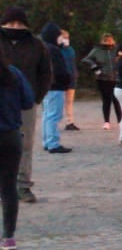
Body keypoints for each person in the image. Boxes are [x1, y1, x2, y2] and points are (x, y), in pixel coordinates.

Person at [0, 7, 51, 204]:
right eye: (11, 23)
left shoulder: (36, 45)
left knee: (24, 145)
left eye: (19, 24)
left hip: (24, 103)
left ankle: (22, 185)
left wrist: (36, 97)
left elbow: (46, 73)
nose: (15, 27)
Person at [0, 46, 34, 250]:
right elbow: (28, 101)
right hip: (10, 136)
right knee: (9, 186)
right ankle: (8, 236)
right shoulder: (13, 74)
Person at [40, 23, 73, 154]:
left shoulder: (43, 48)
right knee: (54, 115)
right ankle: (53, 143)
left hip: (47, 86)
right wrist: (66, 80)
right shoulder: (54, 50)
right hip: (56, 86)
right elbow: (60, 70)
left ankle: (47, 141)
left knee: (47, 115)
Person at [82, 32, 122, 129]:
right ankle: (106, 121)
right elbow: (86, 59)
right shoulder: (97, 50)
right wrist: (94, 66)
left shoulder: (117, 50)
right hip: (103, 78)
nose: (108, 42)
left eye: (109, 40)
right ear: (102, 41)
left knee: (117, 100)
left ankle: (120, 121)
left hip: (116, 78)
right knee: (106, 100)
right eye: (105, 40)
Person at [59, 29, 79, 131]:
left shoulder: (71, 49)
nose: (66, 40)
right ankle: (55, 122)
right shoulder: (57, 50)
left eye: (67, 38)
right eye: (64, 38)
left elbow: (72, 63)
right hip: (61, 79)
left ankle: (70, 122)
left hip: (71, 79)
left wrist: (75, 74)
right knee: (58, 102)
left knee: (69, 102)